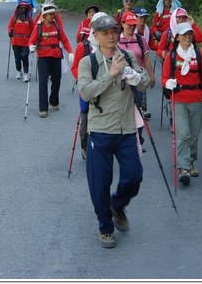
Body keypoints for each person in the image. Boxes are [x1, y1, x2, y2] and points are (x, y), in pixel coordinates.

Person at [78, 14, 150, 248]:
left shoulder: (127, 56)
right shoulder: (88, 63)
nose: (111, 36)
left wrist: (136, 76)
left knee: (134, 175)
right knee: (100, 182)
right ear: (95, 36)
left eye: (114, 31)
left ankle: (116, 205)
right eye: (105, 32)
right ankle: (105, 227)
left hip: (126, 128)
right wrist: (110, 75)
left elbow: (145, 82)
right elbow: (86, 93)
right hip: (99, 130)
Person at [161, 22, 202, 186]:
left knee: (194, 134)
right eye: (184, 34)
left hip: (198, 100)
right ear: (177, 37)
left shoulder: (198, 55)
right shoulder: (172, 56)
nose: (188, 37)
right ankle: (183, 168)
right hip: (179, 100)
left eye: (190, 34)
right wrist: (167, 83)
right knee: (183, 134)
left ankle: (191, 160)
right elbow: (164, 77)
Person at [71, 11, 109, 159]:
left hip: (105, 90)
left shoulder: (110, 47)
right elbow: (75, 67)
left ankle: (102, 147)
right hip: (87, 90)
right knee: (86, 119)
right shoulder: (83, 46)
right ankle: (85, 147)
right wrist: (84, 80)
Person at [28, 4, 73, 118]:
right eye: (51, 14)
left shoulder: (57, 26)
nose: (53, 15)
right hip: (43, 56)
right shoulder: (38, 27)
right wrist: (31, 47)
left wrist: (70, 52)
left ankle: (53, 101)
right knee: (43, 82)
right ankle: (43, 109)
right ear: (45, 15)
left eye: (54, 13)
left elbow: (64, 40)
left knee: (56, 80)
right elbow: (31, 41)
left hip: (56, 55)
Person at [119, 11, 156, 124]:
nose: (132, 27)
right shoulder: (116, 40)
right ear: (123, 23)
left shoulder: (140, 40)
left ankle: (137, 135)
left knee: (137, 109)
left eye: (134, 25)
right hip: (122, 80)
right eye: (129, 24)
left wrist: (152, 76)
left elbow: (146, 59)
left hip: (138, 78)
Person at [7, 1, 34, 82]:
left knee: (25, 56)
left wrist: (34, 39)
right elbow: (9, 27)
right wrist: (10, 32)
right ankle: (19, 71)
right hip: (16, 41)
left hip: (26, 41)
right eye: (21, 6)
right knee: (17, 58)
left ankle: (26, 74)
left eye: (25, 7)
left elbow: (34, 29)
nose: (23, 8)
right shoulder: (14, 17)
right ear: (18, 8)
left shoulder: (29, 18)